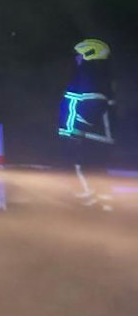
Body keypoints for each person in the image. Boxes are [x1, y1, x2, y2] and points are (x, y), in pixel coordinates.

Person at [58, 38, 116, 210]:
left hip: (90, 136)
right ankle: (105, 208)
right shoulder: (95, 76)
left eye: (79, 56)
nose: (76, 59)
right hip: (95, 136)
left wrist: (76, 130)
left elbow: (92, 105)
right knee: (97, 172)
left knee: (81, 168)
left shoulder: (90, 77)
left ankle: (89, 207)